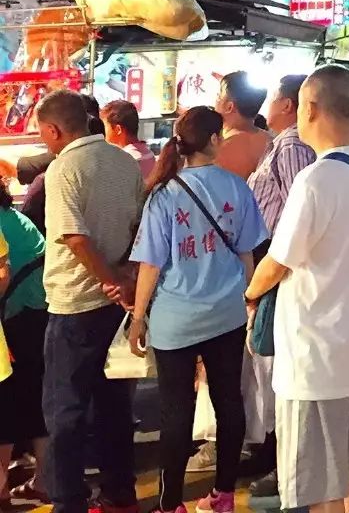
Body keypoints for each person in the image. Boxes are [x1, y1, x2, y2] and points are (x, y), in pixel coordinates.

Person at [245, 66, 349, 513]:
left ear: (308, 108)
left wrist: (249, 295)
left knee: (317, 483)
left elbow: (277, 262)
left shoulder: (316, 179)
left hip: (315, 358)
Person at [129, 106, 267, 513]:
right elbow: (247, 256)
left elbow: (150, 265)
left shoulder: (164, 193)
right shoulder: (237, 187)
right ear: (213, 141)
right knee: (229, 402)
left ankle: (171, 504)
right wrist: (248, 300)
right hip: (226, 315)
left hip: (176, 321)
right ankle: (223, 495)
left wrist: (138, 318)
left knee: (176, 410)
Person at [37, 88, 143, 513]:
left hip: (74, 305)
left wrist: (109, 280)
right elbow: (140, 225)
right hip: (114, 307)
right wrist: (124, 277)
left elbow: (75, 237)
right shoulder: (123, 160)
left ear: (54, 129)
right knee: (115, 405)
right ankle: (119, 492)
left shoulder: (65, 168)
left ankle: (69, 501)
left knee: (65, 411)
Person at [244, 74, 317, 502]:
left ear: (290, 106)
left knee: (273, 365)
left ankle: (283, 461)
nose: (268, 104)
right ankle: (274, 452)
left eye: (273, 97)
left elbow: (295, 215)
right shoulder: (281, 144)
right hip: (270, 260)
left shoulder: (290, 147)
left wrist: (263, 281)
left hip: (276, 262)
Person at [0, 183, 47, 504]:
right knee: (35, 402)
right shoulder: (13, 217)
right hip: (39, 315)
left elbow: (3, 275)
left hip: (18, 321)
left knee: (9, 406)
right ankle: (45, 479)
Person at [214, 71, 270, 180]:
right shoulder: (271, 141)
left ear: (229, 107)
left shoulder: (218, 152)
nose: (215, 101)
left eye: (218, 96)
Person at [100, 100, 155, 180]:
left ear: (118, 129)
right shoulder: (149, 154)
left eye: (104, 126)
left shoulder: (123, 161)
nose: (102, 131)